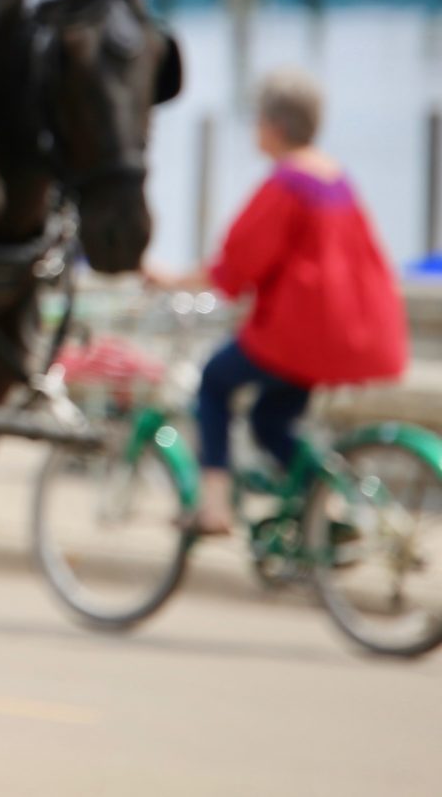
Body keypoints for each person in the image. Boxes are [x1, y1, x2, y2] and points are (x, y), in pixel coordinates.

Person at [145, 68, 407, 534]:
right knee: (270, 420)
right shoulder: (336, 179)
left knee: (214, 382)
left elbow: (237, 264)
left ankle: (215, 505)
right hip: (340, 333)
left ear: (274, 126)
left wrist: (170, 280)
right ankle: (325, 509)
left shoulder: (287, 183)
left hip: (296, 335)